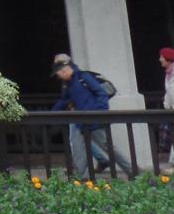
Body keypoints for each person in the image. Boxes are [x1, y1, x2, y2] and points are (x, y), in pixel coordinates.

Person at [51, 52, 134, 180]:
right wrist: (52, 114)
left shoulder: (83, 77)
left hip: (94, 121)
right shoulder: (68, 84)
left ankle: (133, 171)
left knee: (109, 148)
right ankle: (82, 177)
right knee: (79, 150)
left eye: (59, 74)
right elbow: (64, 101)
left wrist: (100, 113)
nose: (59, 77)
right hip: (80, 122)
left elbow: (101, 93)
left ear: (65, 70)